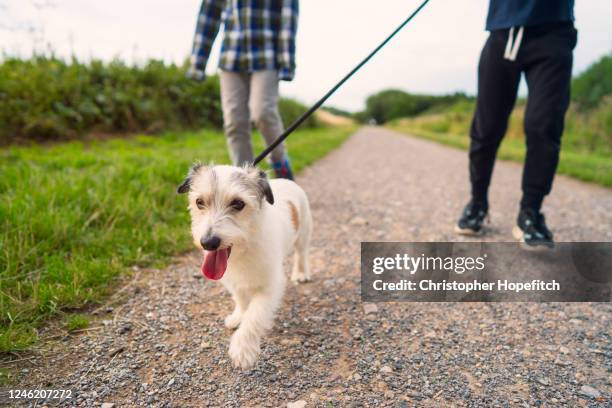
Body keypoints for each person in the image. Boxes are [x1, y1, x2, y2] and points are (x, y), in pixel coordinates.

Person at [455, 0, 577, 248]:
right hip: (503, 31)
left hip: (553, 32)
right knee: (486, 127)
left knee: (544, 124)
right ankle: (477, 204)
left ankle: (530, 213)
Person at [188, 0, 299, 180]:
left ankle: (280, 164)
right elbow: (209, 15)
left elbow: (288, 15)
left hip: (267, 55)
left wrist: (286, 61)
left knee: (262, 111)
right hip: (232, 55)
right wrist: (198, 62)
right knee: (234, 121)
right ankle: (244, 179)